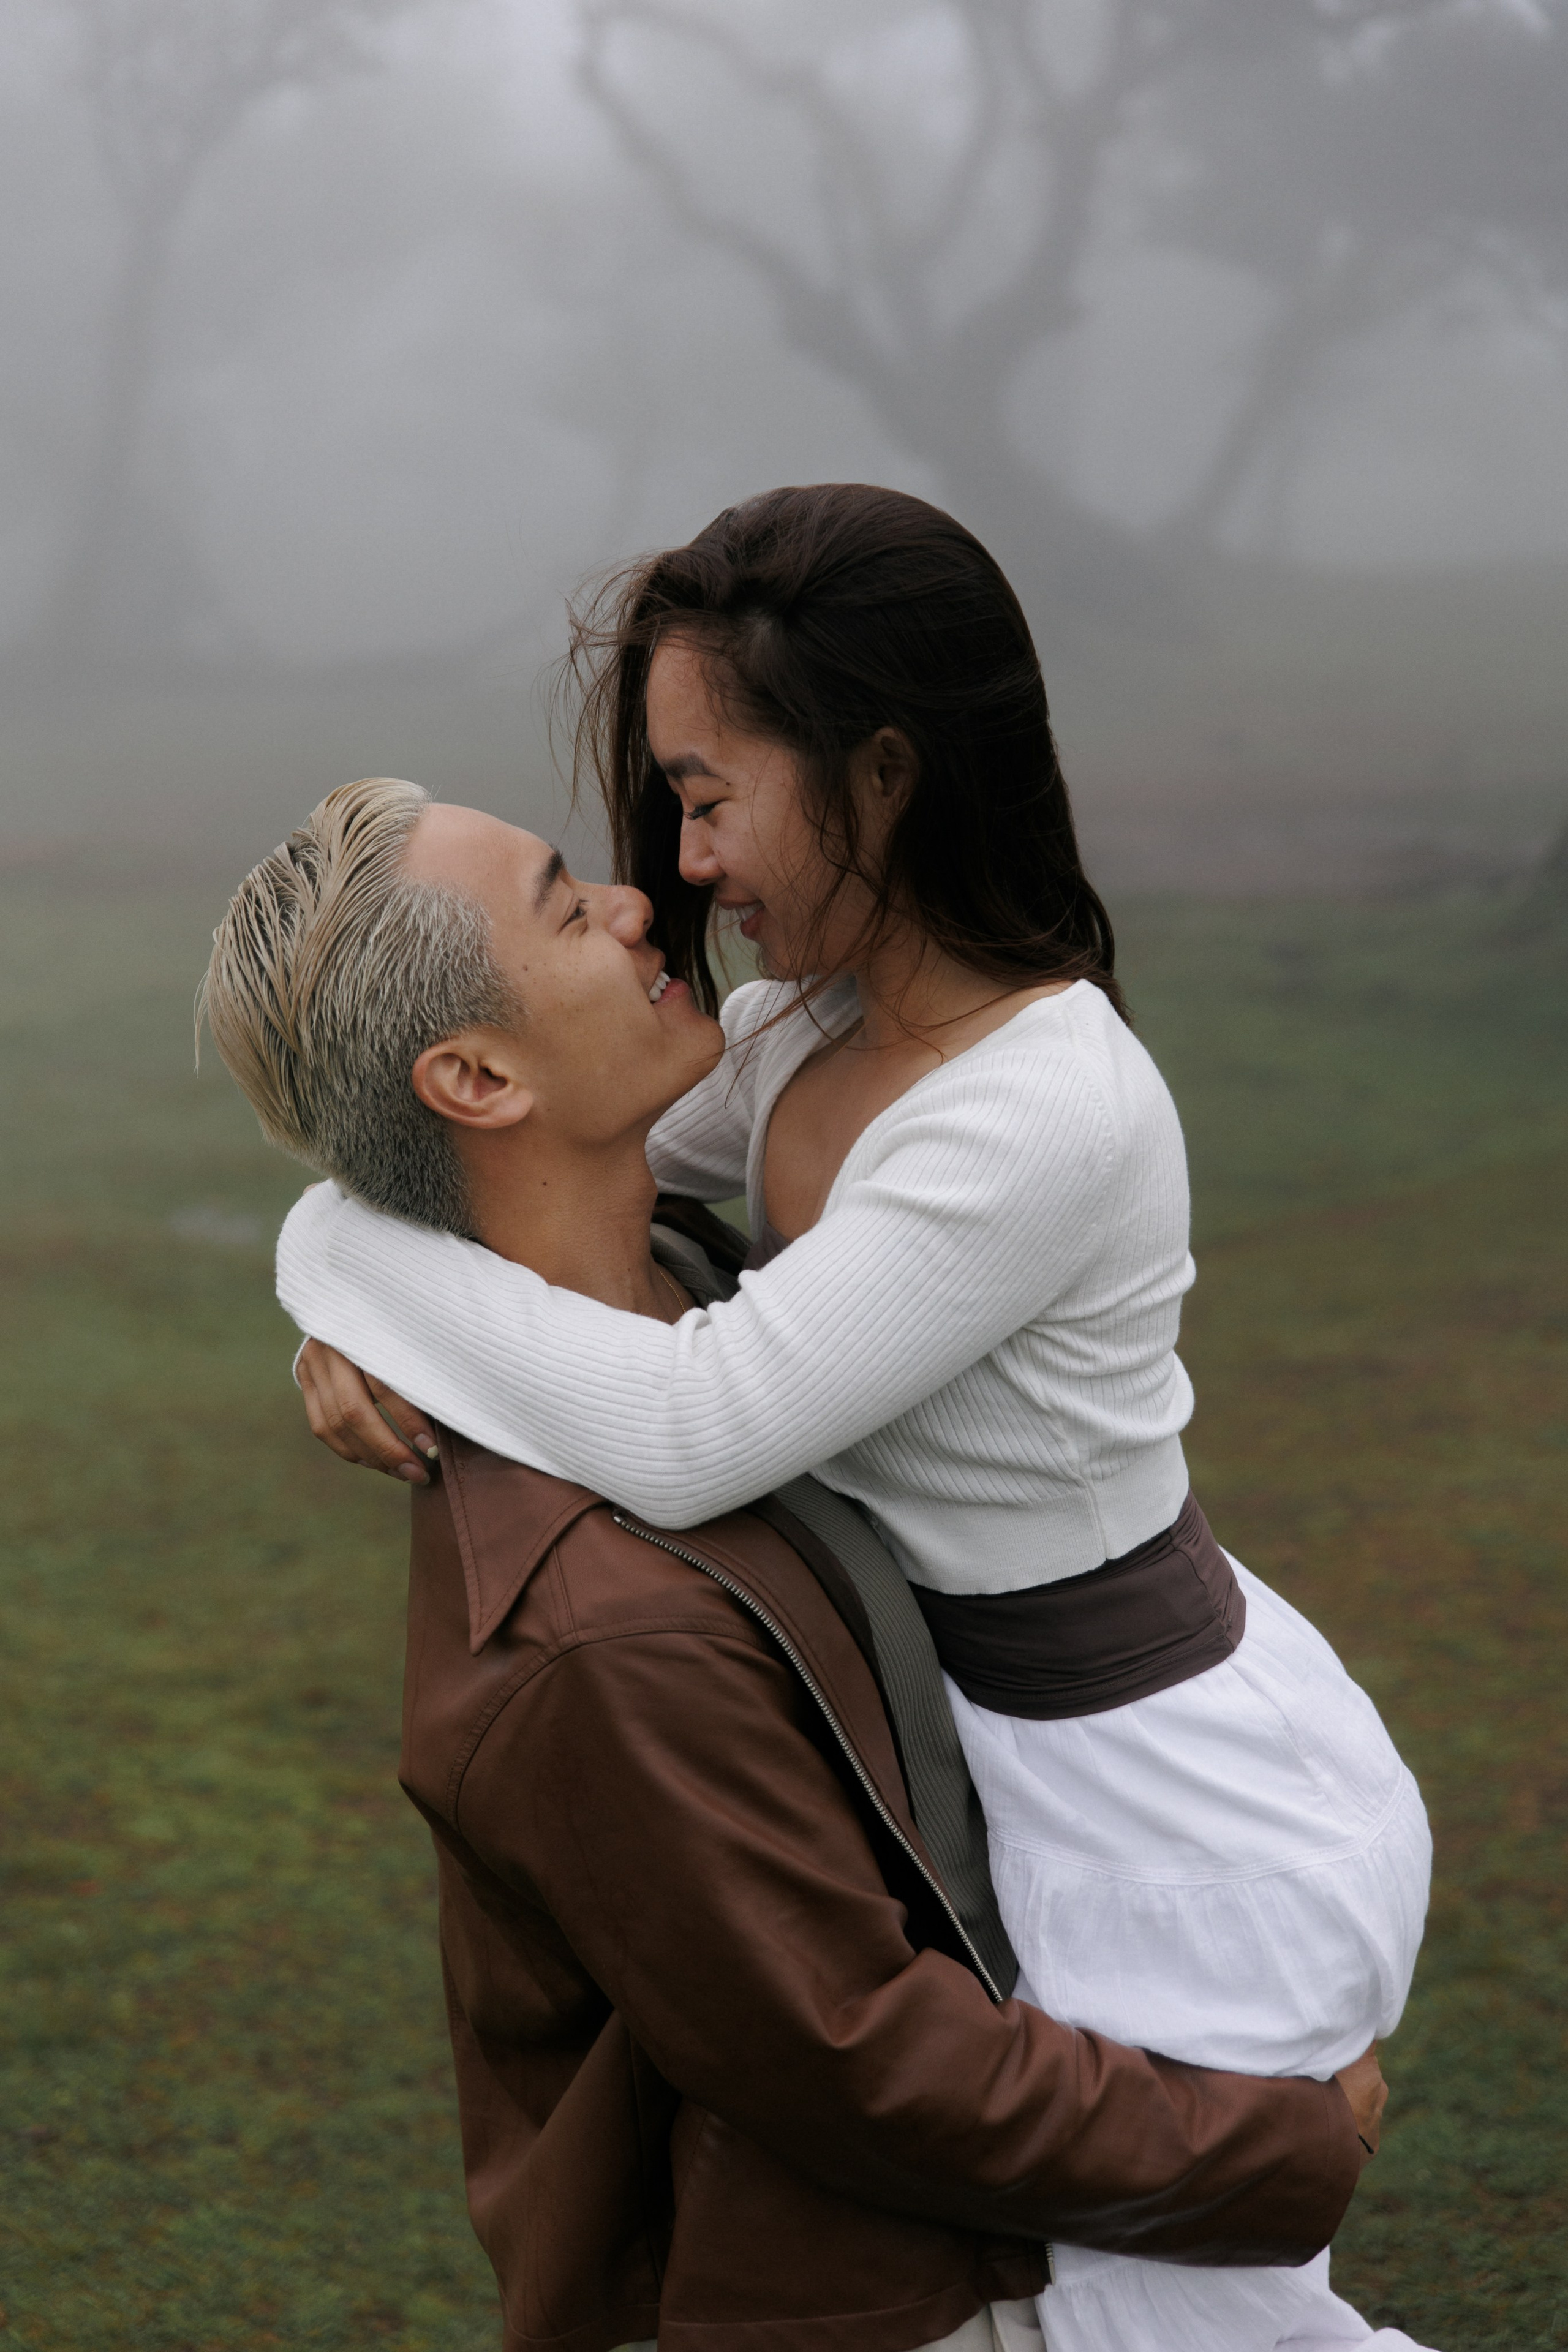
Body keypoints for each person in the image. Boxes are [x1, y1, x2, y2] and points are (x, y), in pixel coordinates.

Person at [277, 488, 1436, 2352]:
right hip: (1014, 1760)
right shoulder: (804, 1039)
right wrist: (345, 1242)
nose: (684, 862)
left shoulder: (1034, 1108)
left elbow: (685, 1426)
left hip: (1159, 1794)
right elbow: (502, 1138)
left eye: (711, 795)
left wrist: (348, 1263)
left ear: (883, 776)